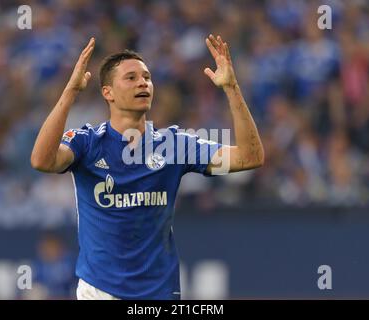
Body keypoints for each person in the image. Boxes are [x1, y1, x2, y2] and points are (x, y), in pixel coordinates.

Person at [30, 35, 264, 300]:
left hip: (160, 294)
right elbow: (42, 160)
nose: (143, 82)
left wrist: (232, 88)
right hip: (100, 291)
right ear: (108, 92)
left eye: (147, 77)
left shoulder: (175, 146)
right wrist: (70, 92)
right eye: (131, 78)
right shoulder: (88, 143)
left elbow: (249, 157)